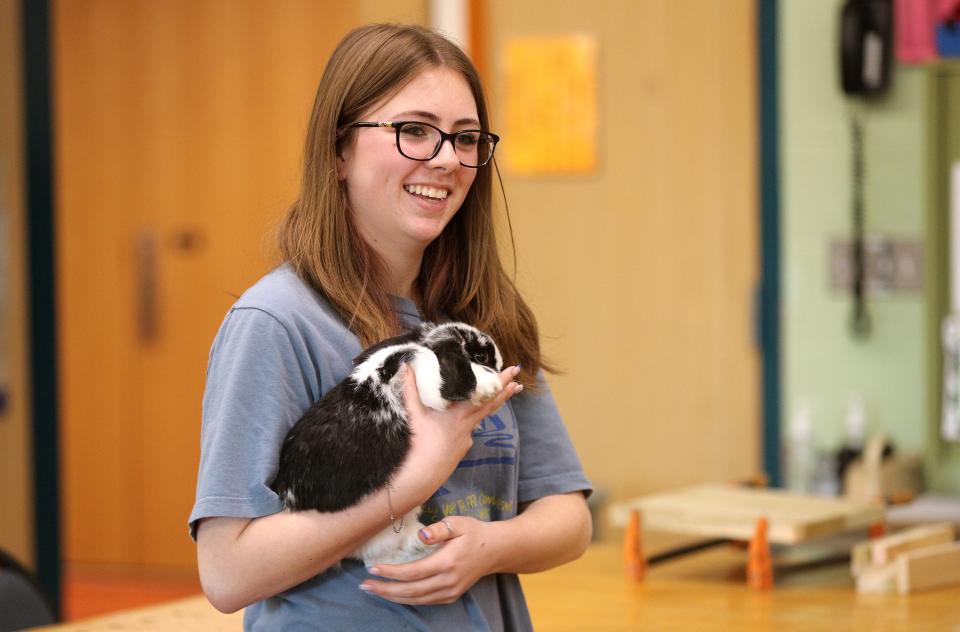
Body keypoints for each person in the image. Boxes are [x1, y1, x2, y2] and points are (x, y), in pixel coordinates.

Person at [189, 23, 592, 631]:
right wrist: (411, 482)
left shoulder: (482, 317)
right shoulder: (275, 322)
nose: (447, 159)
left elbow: (569, 519)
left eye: (466, 138)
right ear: (338, 149)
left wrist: (488, 546)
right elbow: (227, 573)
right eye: (413, 131)